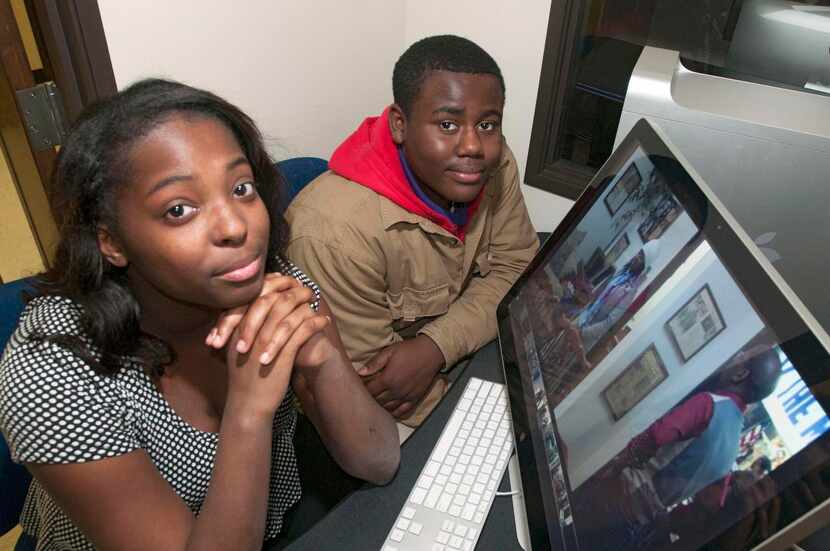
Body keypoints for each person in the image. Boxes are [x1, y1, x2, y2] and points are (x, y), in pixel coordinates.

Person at [0, 79, 400, 551]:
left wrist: (326, 360)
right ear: (110, 241)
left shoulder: (273, 282)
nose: (236, 226)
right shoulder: (53, 368)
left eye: (241, 188)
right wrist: (248, 410)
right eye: (179, 210)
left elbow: (379, 461)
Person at [285, 35, 538, 427]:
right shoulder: (335, 233)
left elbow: (517, 269)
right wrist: (496, 426)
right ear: (400, 125)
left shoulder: (494, 163)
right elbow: (376, 388)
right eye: (448, 124)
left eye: (487, 124)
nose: (473, 145)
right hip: (361, 413)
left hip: (444, 358)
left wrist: (435, 347)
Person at [573, 344, 783, 551]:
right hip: (640, 522)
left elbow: (656, 434)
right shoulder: (733, 446)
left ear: (740, 374)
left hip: (617, 497)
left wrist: (616, 466)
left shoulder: (709, 404)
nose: (734, 358)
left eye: (741, 356)